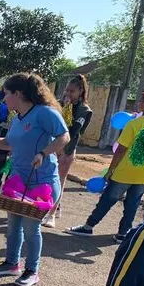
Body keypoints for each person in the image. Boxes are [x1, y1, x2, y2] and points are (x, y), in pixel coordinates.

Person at [0, 72, 70, 286]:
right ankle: (11, 263)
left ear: (18, 94)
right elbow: (9, 143)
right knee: (13, 225)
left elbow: (64, 136)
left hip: (41, 182)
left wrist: (44, 153)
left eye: (6, 93)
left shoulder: (44, 113)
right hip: (18, 180)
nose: (3, 98)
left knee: (31, 228)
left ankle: (32, 270)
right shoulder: (16, 117)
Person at [67, 89, 144, 242]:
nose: (138, 102)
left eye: (141, 99)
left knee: (107, 199)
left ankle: (88, 226)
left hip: (126, 171)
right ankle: (122, 234)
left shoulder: (134, 123)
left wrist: (110, 171)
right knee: (133, 203)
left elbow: (121, 150)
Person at [43, 74, 93, 228]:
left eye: (71, 91)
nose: (68, 94)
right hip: (53, 147)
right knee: (47, 180)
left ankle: (51, 214)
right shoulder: (59, 104)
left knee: (59, 181)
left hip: (67, 150)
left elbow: (75, 130)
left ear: (80, 91)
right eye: (66, 91)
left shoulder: (85, 110)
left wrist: (67, 109)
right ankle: (52, 206)